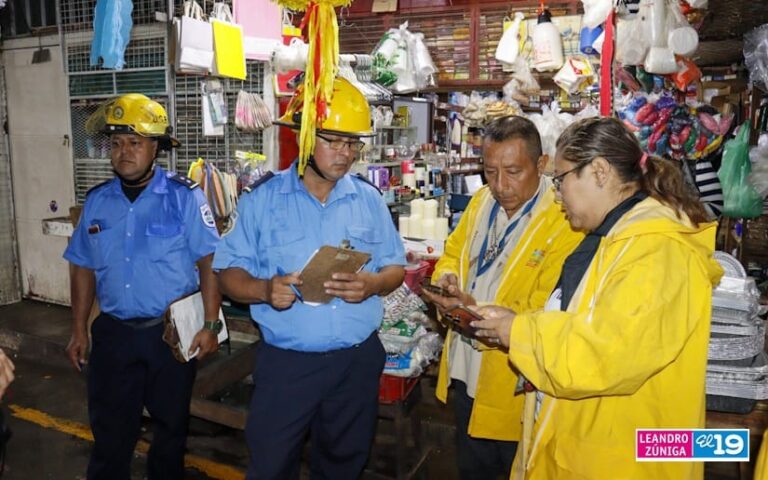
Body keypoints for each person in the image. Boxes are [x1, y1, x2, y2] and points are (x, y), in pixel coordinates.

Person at [472, 117, 724, 479]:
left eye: (560, 180)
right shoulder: (610, 238)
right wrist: (519, 322)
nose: (557, 196)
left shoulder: (658, 252)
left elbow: (604, 353)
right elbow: (581, 319)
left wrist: (519, 331)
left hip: (623, 458)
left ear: (600, 172)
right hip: (585, 443)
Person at [213, 77, 406, 479]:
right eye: (334, 141)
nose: (345, 153)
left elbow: (395, 267)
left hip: (355, 363)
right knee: (271, 465)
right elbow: (227, 274)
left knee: (344, 465)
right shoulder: (262, 200)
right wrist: (264, 290)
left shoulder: (368, 199)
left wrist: (372, 285)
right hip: (288, 366)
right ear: (302, 137)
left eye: (353, 143)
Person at [63, 94, 222, 480]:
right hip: (114, 335)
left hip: (169, 336)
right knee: (110, 433)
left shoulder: (185, 197)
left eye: (135, 142)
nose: (124, 152)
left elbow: (210, 264)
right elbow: (82, 265)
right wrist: (79, 328)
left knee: (170, 432)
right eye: (117, 143)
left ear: (156, 147)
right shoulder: (97, 201)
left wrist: (210, 324)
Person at [422, 116, 582, 479]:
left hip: (512, 379)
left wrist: (473, 311)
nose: (500, 185)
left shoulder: (563, 218)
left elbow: (547, 307)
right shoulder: (481, 201)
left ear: (541, 164)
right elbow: (454, 251)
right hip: (466, 367)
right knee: (472, 465)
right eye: (490, 171)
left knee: (515, 466)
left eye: (513, 172)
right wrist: (447, 278)